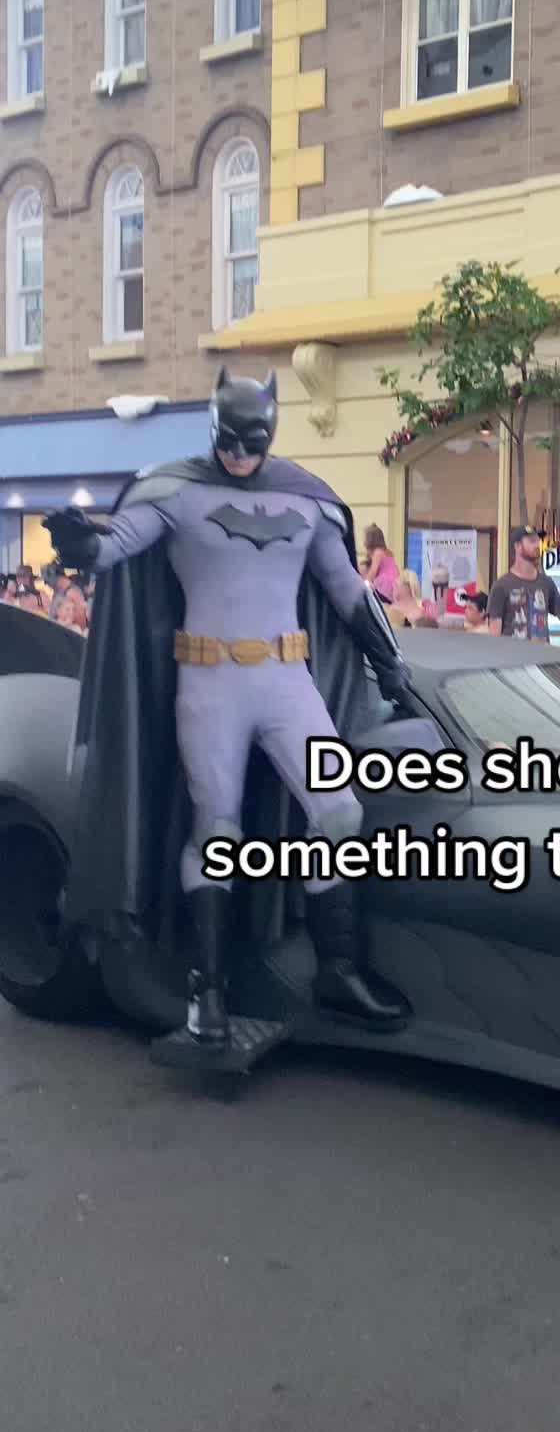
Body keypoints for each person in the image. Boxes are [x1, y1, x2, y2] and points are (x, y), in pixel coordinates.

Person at [45, 367, 412, 1052]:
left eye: (252, 441)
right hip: (210, 680)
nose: (238, 455)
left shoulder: (305, 498)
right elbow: (114, 547)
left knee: (340, 811)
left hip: (287, 680)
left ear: (270, 434)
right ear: (213, 430)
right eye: (228, 440)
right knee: (217, 831)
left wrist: (389, 661)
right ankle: (206, 990)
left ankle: (337, 969)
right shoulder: (176, 492)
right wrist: (79, 544)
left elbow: (346, 589)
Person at [488, 526, 560, 645]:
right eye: (532, 541)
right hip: (513, 654)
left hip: (542, 653)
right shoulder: (501, 586)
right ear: (518, 546)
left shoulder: (546, 583)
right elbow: (495, 632)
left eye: (538, 541)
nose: (537, 545)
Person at [362, 524, 400, 606]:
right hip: (393, 585)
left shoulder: (378, 552)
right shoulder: (387, 552)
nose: (364, 541)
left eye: (366, 538)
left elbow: (373, 572)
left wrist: (363, 583)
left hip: (384, 584)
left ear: (371, 540)